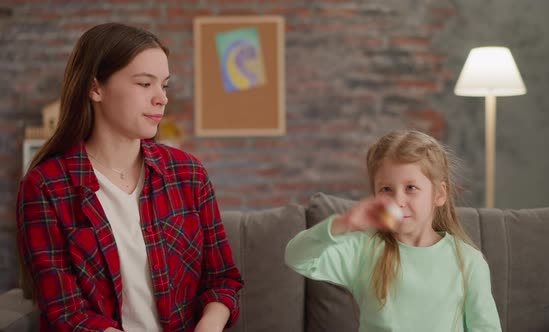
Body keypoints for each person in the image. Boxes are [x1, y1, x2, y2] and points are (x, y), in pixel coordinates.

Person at [16, 23, 243, 332]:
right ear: (95, 88)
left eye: (164, 85)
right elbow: (67, 313)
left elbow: (222, 279)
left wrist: (209, 325)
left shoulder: (188, 174)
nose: (161, 98)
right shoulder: (45, 187)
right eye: (144, 84)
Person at [285, 130, 502, 332]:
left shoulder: (468, 261)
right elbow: (297, 257)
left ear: (439, 194)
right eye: (386, 189)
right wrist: (343, 223)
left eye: (411, 188)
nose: (398, 201)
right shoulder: (363, 250)